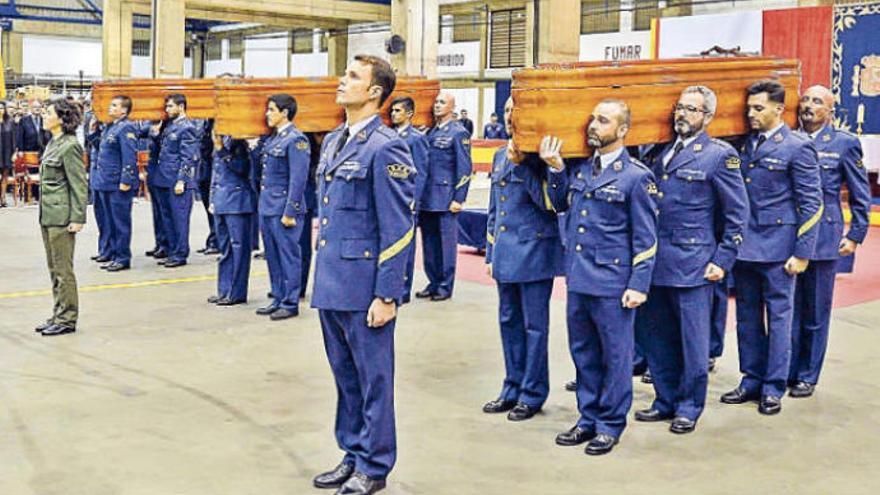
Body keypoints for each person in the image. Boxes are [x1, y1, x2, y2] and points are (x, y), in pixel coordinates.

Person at [310, 54, 415, 495]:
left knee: (374, 382)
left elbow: (399, 225)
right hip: (332, 281)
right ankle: (352, 452)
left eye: (352, 76)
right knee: (346, 379)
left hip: (364, 286)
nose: (342, 80)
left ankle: (374, 465)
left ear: (374, 92)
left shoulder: (386, 146)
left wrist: (388, 293)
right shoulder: (336, 140)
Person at [540, 99, 658, 456]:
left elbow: (647, 237)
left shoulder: (636, 176)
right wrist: (556, 170)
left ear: (622, 130)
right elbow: (561, 206)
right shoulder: (580, 170)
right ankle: (587, 417)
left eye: (603, 121)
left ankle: (610, 424)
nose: (593, 125)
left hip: (612, 282)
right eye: (592, 118)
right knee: (584, 354)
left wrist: (639, 284)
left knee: (616, 357)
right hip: (579, 279)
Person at [634, 86, 749, 434]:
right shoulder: (657, 152)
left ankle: (688, 406)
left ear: (708, 117)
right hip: (655, 263)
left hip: (693, 264)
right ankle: (665, 399)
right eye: (680, 108)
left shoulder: (719, 155)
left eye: (692, 110)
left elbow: (737, 212)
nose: (682, 115)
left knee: (692, 342)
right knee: (657, 337)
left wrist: (723, 258)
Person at [721, 80, 822, 416]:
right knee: (747, 317)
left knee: (780, 319)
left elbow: (812, 203)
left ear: (779, 109)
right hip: (745, 246)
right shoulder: (743, 144)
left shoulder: (797, 146)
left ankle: (773, 386)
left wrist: (803, 252)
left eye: (758, 108)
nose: (751, 113)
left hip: (780, 248)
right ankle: (751, 378)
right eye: (749, 108)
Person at [482, 97, 564, 422]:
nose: (509, 117)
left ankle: (532, 393)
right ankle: (511, 386)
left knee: (534, 327)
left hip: (534, 253)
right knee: (508, 323)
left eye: (515, 110)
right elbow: (494, 210)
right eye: (505, 111)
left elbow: (550, 203)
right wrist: (490, 251)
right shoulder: (499, 153)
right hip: (505, 253)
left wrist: (524, 165)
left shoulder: (539, 155)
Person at [788, 85, 871, 398]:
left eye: (817, 101)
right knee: (787, 309)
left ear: (830, 112)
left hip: (824, 236)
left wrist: (855, 235)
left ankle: (807, 374)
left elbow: (860, 193)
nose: (809, 105)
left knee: (814, 310)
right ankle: (786, 369)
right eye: (806, 99)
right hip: (789, 234)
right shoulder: (789, 139)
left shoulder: (844, 143)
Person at [254, 94, 309, 321]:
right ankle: (278, 297)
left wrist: (291, 211)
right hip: (268, 206)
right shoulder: (273, 139)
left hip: (284, 209)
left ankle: (290, 302)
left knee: (289, 256)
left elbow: (298, 179)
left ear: (284, 112)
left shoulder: (296, 140)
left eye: (271, 109)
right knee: (274, 257)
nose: (267, 114)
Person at [35, 98, 87, 337]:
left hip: (62, 217)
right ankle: (58, 312)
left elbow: (78, 185)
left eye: (48, 113)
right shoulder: (53, 143)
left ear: (62, 118)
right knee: (53, 268)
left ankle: (67, 318)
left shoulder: (70, 146)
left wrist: (78, 217)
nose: (44, 116)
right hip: (49, 215)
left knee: (63, 270)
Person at [416, 91, 472, 301]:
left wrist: (459, 198)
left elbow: (465, 168)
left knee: (446, 246)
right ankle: (433, 281)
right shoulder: (430, 133)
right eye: (436, 102)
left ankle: (445, 286)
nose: (437, 105)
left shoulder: (458, 133)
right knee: (429, 243)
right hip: (428, 197)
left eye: (442, 102)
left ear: (452, 106)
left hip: (446, 198)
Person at [86, 95, 139, 272]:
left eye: (114, 105)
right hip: (105, 181)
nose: (110, 107)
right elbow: (101, 149)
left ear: (124, 110)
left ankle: (122, 257)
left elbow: (129, 156)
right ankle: (111, 252)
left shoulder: (126, 127)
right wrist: (93, 132)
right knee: (108, 221)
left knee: (120, 222)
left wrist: (126, 180)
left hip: (117, 183)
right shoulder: (111, 127)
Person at [207, 132, 256, 306]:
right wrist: (212, 199)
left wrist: (222, 150)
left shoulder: (238, 142)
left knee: (239, 249)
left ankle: (236, 293)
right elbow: (216, 173)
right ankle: (224, 290)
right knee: (225, 249)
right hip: (221, 201)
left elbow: (242, 168)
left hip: (237, 201)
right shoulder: (221, 139)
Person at [151, 94, 199, 268]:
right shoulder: (170, 125)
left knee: (179, 219)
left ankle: (180, 253)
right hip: (163, 178)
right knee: (167, 218)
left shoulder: (187, 127)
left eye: (171, 106)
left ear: (181, 106)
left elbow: (188, 157)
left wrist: (182, 180)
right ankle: (171, 251)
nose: (167, 110)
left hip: (176, 180)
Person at [389, 96, 429, 303]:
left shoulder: (416, 138)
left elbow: (420, 171)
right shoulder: (389, 136)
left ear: (409, 113)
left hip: (406, 198)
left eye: (398, 110)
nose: (393, 114)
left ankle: (403, 289)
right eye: (392, 111)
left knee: (406, 244)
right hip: (390, 197)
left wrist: (415, 199)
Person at [196, 119, 220, 255]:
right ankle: (212, 237)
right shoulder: (205, 123)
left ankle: (216, 241)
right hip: (205, 169)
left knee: (215, 208)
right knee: (209, 208)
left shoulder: (219, 123)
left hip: (213, 169)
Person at [0, 101, 16, 207]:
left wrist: (14, 152)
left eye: (2, 108)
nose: (0, 110)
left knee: (5, 176)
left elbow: (14, 139)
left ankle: (3, 197)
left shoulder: (10, 121)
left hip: (7, 152)